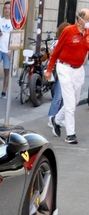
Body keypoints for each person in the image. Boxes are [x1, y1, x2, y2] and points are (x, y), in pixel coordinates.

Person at [45, 9, 89, 145]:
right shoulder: (68, 31)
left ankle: (56, 120)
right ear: (80, 19)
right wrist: (49, 69)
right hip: (64, 68)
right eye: (87, 19)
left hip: (78, 70)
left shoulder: (88, 33)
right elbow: (56, 51)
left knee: (74, 102)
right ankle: (71, 134)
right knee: (70, 104)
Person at [47, 22, 71, 124]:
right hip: (60, 70)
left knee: (63, 96)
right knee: (58, 96)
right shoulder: (58, 43)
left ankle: (58, 118)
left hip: (66, 71)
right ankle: (51, 118)